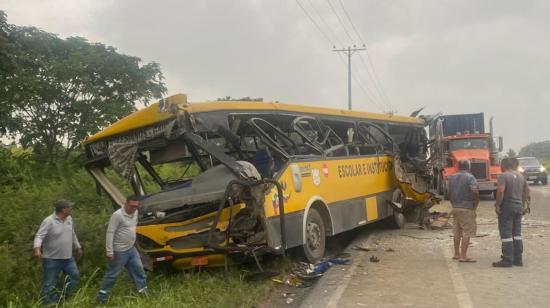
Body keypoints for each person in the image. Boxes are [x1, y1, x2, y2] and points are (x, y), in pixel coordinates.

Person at [96, 196, 148, 304]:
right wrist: (109, 251)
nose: (134, 208)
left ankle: (144, 293)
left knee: (139, 271)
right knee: (112, 275)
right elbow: (110, 232)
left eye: (136, 206)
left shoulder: (136, 212)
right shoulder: (117, 215)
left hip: (131, 249)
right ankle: (101, 298)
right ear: (126, 204)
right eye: (132, 206)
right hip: (119, 251)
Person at [34, 199, 83, 305]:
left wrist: (78, 247)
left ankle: (61, 299)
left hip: (68, 258)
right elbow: (39, 235)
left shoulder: (69, 219)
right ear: (64, 209)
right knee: (49, 284)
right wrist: (37, 249)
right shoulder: (49, 221)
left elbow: (72, 233)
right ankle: (47, 304)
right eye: (69, 207)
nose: (71, 209)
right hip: (52, 259)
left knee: (74, 277)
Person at [493, 158, 529, 267]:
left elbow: (500, 190)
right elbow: (526, 191)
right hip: (518, 207)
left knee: (506, 234)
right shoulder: (520, 176)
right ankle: (518, 259)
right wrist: (523, 204)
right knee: (517, 234)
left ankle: (507, 260)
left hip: (507, 207)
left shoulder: (503, 176)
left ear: (502, 166)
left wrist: (498, 205)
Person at [448, 159, 479, 262]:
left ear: (458, 166)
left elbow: (449, 193)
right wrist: (476, 203)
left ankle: (456, 253)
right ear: (469, 167)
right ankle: (463, 256)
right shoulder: (470, 177)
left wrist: (453, 204)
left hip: (455, 207)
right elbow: (474, 191)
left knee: (457, 231)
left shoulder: (452, 177)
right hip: (467, 207)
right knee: (467, 231)